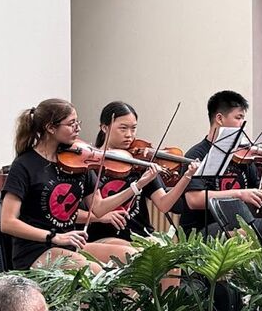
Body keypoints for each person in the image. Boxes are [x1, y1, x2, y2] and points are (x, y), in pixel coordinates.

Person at [0, 99, 147, 272]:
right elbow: (7, 222)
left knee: (135, 258)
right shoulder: (25, 164)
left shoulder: (78, 159)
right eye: (71, 124)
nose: (78, 128)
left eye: (78, 122)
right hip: (37, 249)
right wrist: (54, 237)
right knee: (96, 272)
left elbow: (98, 208)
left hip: (70, 244)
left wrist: (137, 186)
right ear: (50, 128)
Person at [77, 101, 200, 242]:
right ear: (104, 128)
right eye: (123, 128)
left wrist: (187, 176)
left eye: (133, 129)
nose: (129, 135)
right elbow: (87, 210)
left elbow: (164, 204)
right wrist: (100, 217)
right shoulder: (90, 163)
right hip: (101, 237)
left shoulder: (139, 163)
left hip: (141, 236)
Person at [180, 91, 262, 235]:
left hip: (237, 223)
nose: (242, 124)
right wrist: (239, 194)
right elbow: (194, 199)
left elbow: (257, 193)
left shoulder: (243, 155)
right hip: (203, 231)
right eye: (238, 117)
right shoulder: (196, 155)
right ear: (219, 118)